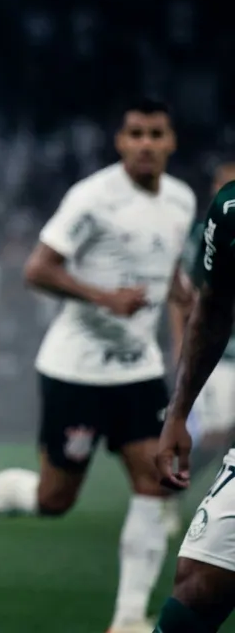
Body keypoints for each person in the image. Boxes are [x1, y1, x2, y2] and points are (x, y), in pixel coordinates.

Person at [0, 99, 196, 633]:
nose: (147, 144)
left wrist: (184, 298)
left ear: (171, 142)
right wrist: (103, 298)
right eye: (136, 134)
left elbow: (169, 269)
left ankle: (128, 619)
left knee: (155, 483)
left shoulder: (180, 200)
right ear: (121, 141)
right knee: (55, 498)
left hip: (138, 371)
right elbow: (37, 269)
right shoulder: (92, 199)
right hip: (76, 372)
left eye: (157, 134)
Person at [150, 173, 235, 631]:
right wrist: (178, 413)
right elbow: (212, 306)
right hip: (227, 365)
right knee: (198, 582)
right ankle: (166, 497)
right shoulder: (229, 212)